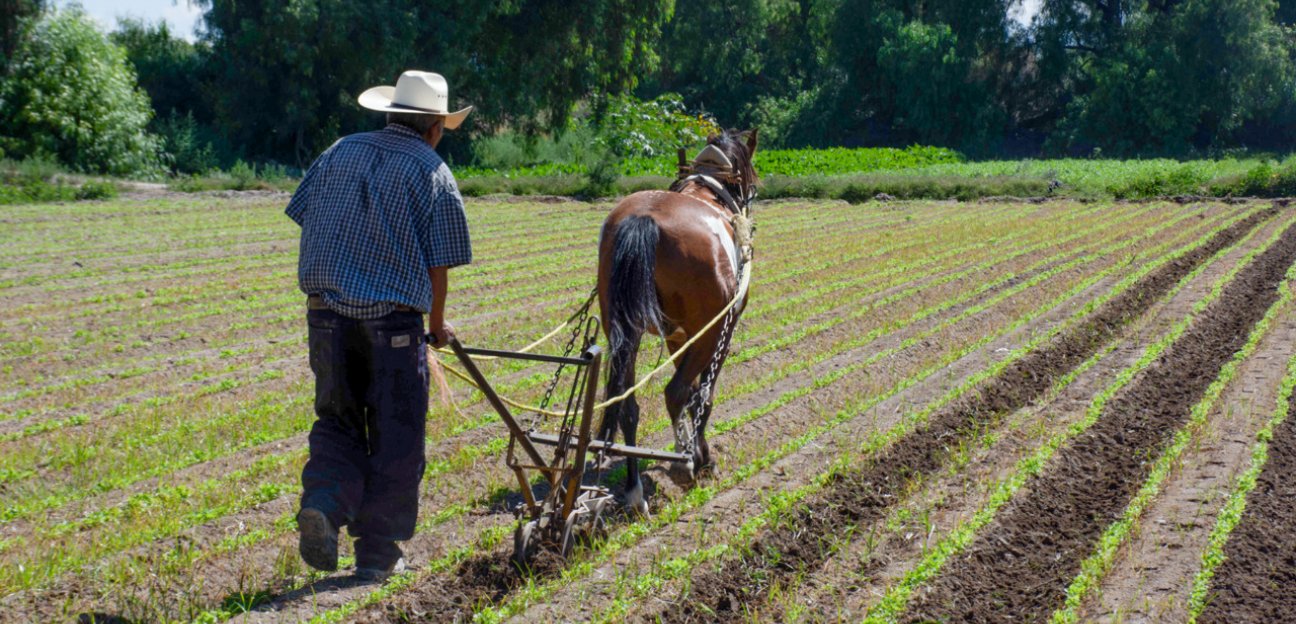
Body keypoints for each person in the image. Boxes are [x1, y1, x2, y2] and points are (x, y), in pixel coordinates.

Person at [284, 70, 473, 581]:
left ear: (389, 113)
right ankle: (378, 553)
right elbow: (440, 261)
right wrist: (436, 324)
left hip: (324, 314)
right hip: (392, 325)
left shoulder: (338, 151)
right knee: (397, 433)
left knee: (337, 420)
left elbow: (304, 213)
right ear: (435, 127)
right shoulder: (432, 171)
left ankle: (324, 503)